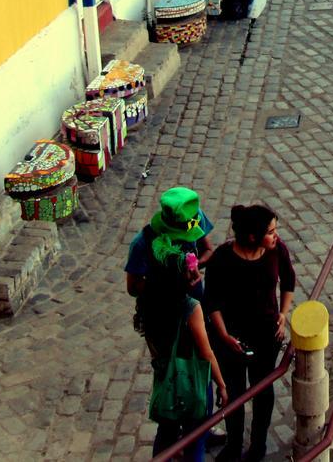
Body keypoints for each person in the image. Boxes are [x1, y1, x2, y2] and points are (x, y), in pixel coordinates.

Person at [126, 188, 228, 461]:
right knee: (181, 381)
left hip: (185, 309)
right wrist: (222, 384)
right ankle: (187, 433)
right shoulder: (142, 244)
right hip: (164, 320)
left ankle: (189, 430)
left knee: (187, 384)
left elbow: (208, 250)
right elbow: (133, 287)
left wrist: (195, 271)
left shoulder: (194, 218)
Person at [205, 204, 296, 462]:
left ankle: (258, 446)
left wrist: (283, 313)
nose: (276, 236)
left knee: (262, 392)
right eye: (270, 231)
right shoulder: (223, 259)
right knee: (234, 393)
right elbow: (212, 302)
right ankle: (233, 445)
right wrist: (223, 336)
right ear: (253, 236)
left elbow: (289, 281)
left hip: (266, 337)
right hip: (232, 339)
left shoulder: (276, 251)